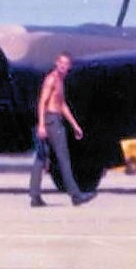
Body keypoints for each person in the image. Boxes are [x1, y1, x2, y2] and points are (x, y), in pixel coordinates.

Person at [29, 52, 96, 207]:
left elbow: (62, 105)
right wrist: (41, 124)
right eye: (61, 63)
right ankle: (76, 195)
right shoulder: (52, 79)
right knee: (63, 158)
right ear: (56, 63)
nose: (63, 66)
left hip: (54, 118)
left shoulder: (60, 81)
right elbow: (42, 102)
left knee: (41, 159)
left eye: (66, 64)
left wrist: (75, 125)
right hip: (51, 120)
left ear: (69, 67)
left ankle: (35, 197)